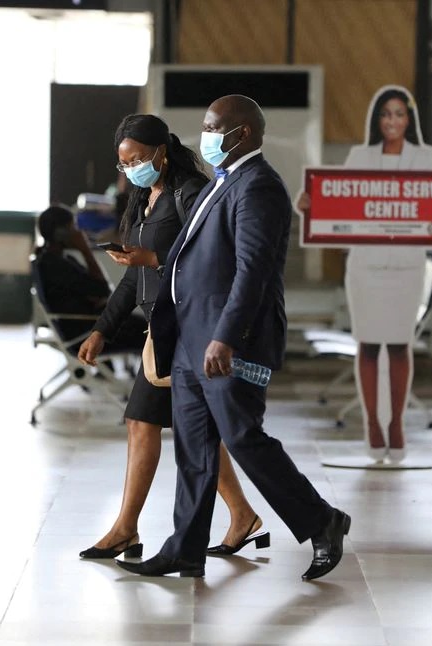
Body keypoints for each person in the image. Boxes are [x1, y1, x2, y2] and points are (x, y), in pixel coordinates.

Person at [116, 96, 350, 581]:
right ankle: (185, 547)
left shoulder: (259, 186)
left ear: (240, 134)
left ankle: (322, 520)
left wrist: (225, 337)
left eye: (210, 127)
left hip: (228, 342)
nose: (203, 135)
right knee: (194, 448)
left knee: (243, 438)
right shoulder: (223, 183)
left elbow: (253, 272)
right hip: (190, 338)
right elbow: (191, 257)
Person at [76, 114, 268, 560]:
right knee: (179, 426)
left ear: (160, 151)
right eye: (124, 165)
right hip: (159, 329)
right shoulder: (143, 197)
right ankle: (240, 515)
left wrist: (156, 256)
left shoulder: (191, 193)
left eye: (138, 159)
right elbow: (132, 278)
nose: (131, 171)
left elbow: (211, 255)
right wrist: (103, 328)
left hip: (188, 327)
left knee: (161, 424)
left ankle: (130, 528)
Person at [297, 86, 432, 461]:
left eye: (400, 114)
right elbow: (338, 204)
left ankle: (396, 423)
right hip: (365, 266)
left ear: (409, 120)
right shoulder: (359, 155)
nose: (393, 121)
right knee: (368, 343)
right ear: (376, 120)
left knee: (399, 344)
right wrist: (308, 206)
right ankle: (372, 423)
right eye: (386, 114)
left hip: (407, 265)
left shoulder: (426, 156)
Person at [35, 204, 144, 355]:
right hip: (84, 333)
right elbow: (103, 289)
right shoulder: (55, 266)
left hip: (88, 322)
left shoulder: (56, 260)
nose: (77, 231)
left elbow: (98, 291)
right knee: (146, 330)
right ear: (60, 233)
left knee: (140, 324)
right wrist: (85, 249)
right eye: (72, 226)